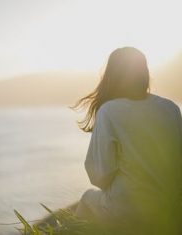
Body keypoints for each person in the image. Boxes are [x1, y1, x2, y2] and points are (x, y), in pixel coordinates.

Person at [70, 47, 182, 234]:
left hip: (130, 211)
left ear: (111, 76)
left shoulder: (110, 111)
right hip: (170, 207)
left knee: (87, 198)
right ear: (144, 72)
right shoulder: (171, 108)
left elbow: (99, 176)